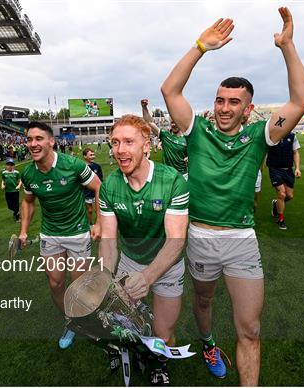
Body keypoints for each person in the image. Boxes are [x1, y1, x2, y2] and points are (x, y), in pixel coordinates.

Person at [161, 7, 304, 385]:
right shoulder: (196, 130)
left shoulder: (261, 134)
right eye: (220, 100)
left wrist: (287, 47)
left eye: (234, 102)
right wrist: (200, 46)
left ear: (247, 109)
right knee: (203, 303)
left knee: (251, 329)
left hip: (242, 241)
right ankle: (208, 342)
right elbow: (170, 89)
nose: (225, 108)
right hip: (200, 237)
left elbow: (302, 100)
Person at [99, 115, 189, 385]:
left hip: (167, 264)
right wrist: (104, 275)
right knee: (126, 325)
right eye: (115, 142)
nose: (120, 150)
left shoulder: (172, 181)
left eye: (128, 141)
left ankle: (158, 362)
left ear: (146, 146)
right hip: (130, 261)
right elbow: (108, 239)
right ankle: (133, 350)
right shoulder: (109, 186)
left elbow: (176, 240)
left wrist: (148, 277)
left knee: (163, 334)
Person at [18, 121, 102, 350]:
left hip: (77, 233)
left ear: (51, 141)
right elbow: (28, 202)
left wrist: (98, 222)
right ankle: (71, 321)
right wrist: (23, 230)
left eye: (38, 139)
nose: (33, 144)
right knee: (55, 284)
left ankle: (83, 317)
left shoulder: (73, 164)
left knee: (78, 288)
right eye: (29, 139)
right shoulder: (28, 173)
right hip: (50, 234)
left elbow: (98, 187)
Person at [141, 99, 188, 179]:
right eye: (172, 122)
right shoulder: (165, 136)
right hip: (167, 176)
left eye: (176, 122)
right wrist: (144, 107)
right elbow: (149, 122)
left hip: (183, 176)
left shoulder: (187, 139)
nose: (174, 124)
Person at [267, 133, 301, 230]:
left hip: (288, 170)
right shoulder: (272, 135)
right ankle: (281, 219)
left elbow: (295, 152)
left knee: (289, 196)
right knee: (282, 194)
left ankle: (276, 204)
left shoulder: (292, 136)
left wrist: (297, 168)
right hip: (274, 169)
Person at [82, 147, 103, 225]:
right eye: (90, 155)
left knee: (98, 209)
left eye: (93, 155)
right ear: (85, 156)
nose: (93, 156)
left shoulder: (97, 166)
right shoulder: (82, 167)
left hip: (97, 193)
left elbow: (101, 179)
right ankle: (90, 224)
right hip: (87, 193)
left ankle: (99, 224)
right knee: (89, 210)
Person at [1, 158, 22, 222]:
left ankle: (17, 217)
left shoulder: (16, 173)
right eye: (8, 165)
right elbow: (3, 180)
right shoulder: (4, 173)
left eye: (11, 165)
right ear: (6, 165)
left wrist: (19, 185)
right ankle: (16, 212)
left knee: (16, 204)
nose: (9, 166)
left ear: (14, 165)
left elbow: (20, 180)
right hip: (7, 191)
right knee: (10, 205)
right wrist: (2, 185)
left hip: (15, 191)